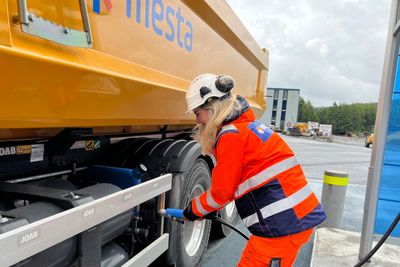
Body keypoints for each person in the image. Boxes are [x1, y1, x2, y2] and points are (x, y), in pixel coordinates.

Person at [183, 73, 327, 267]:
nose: (198, 120)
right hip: (287, 222)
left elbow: (221, 194)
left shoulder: (231, 136)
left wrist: (192, 211)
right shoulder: (244, 128)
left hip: (282, 227)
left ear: (211, 108)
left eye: (197, 113)